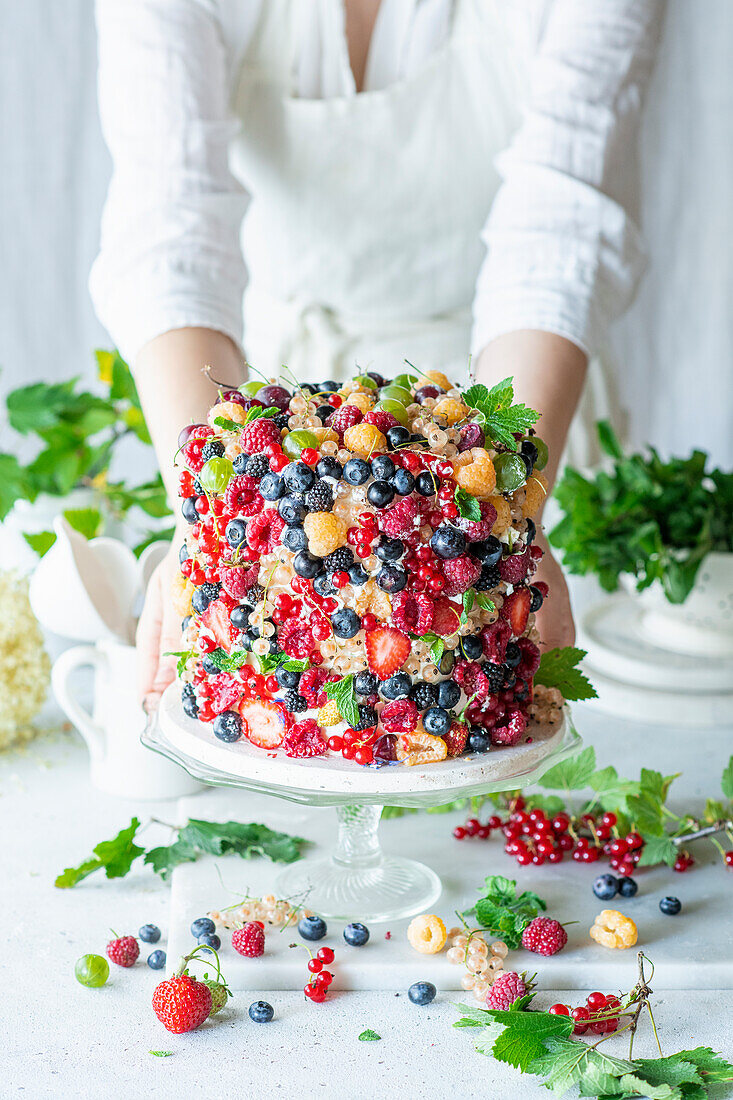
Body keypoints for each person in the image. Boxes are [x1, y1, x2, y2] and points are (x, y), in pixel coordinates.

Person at [89, 0, 663, 708]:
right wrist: (217, 524)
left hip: (519, 416)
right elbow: (166, 224)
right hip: (281, 441)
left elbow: (561, 226)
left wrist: (504, 514)